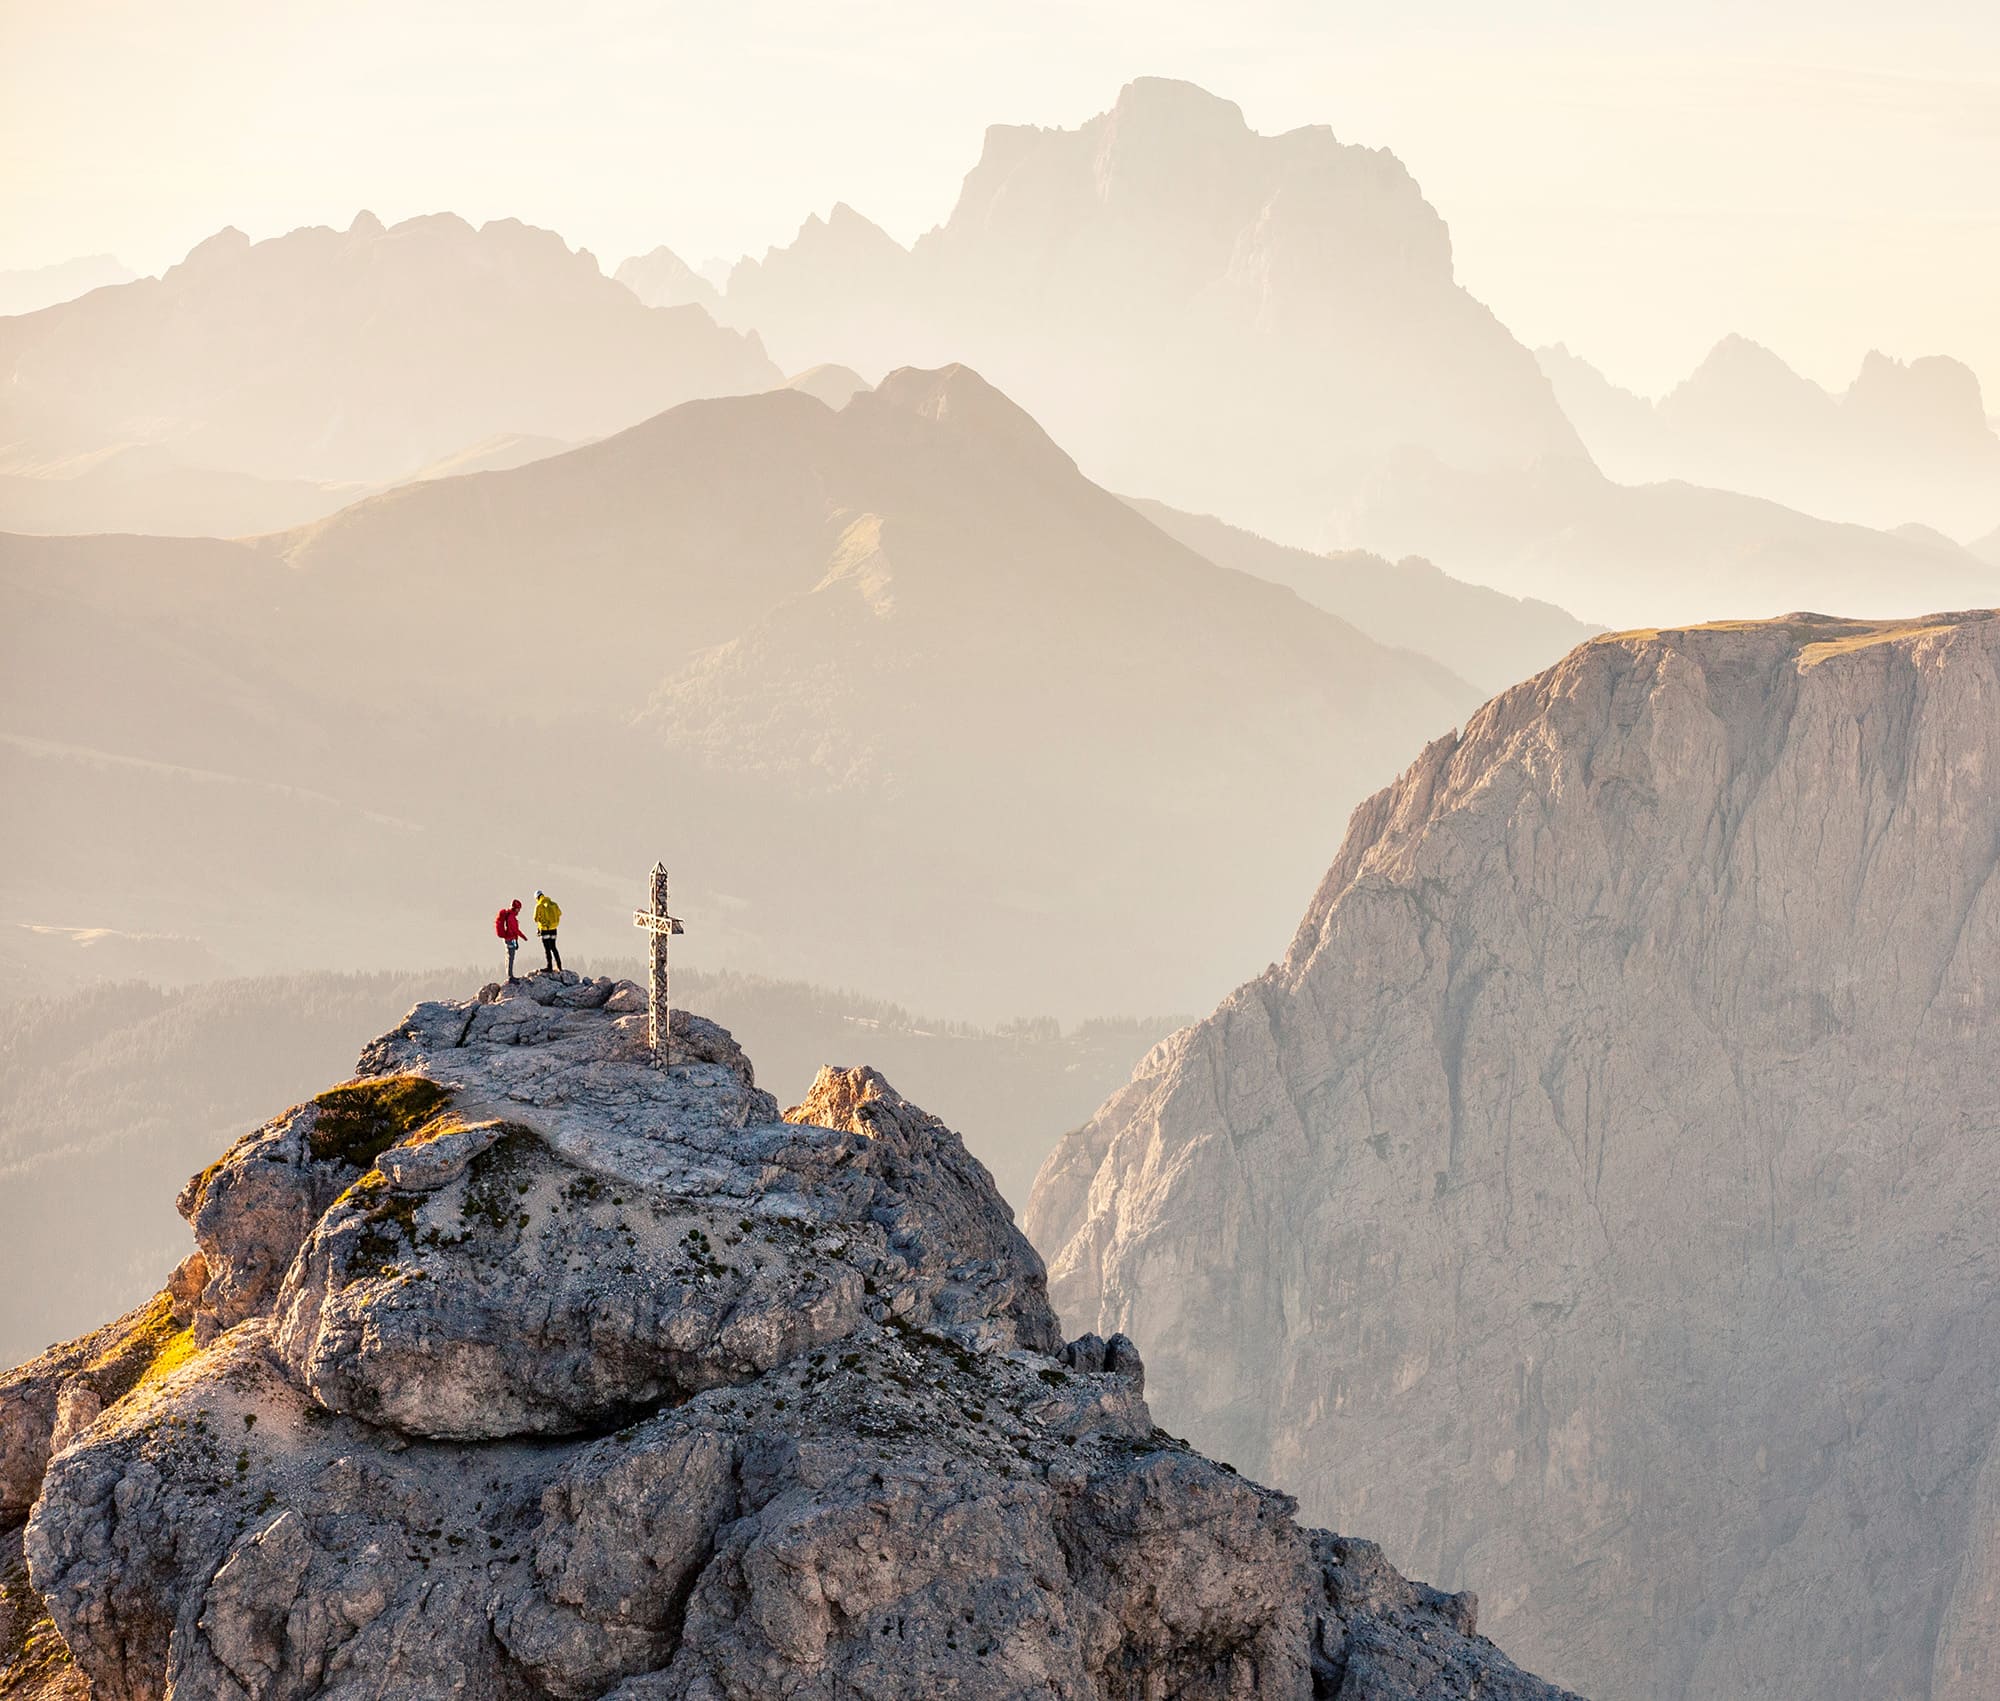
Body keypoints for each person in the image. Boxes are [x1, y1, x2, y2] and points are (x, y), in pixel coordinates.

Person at [495, 898, 526, 983]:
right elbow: (515, 930)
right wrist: (523, 937)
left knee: (509, 957)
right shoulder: (511, 917)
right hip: (510, 939)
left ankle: (510, 975)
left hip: (510, 939)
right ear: (516, 908)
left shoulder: (509, 915)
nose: (519, 911)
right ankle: (510, 976)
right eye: (519, 909)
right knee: (510, 957)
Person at [533, 889, 563, 972]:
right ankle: (559, 966)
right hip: (554, 929)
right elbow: (560, 913)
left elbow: (535, 919)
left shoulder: (539, 905)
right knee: (553, 947)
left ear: (537, 898)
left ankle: (549, 967)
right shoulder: (553, 904)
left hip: (545, 929)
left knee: (547, 948)